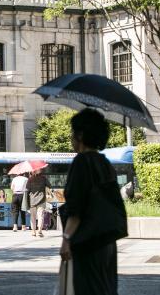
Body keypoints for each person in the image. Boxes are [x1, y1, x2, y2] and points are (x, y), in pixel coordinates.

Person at [60, 108, 119, 295]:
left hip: (86, 241)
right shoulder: (105, 163)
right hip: (107, 242)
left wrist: (66, 239)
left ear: (81, 135)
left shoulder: (81, 163)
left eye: (73, 133)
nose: (71, 138)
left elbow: (76, 208)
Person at [27, 168, 50, 237]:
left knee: (33, 217)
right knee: (40, 216)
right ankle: (39, 231)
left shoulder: (30, 179)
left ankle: (33, 232)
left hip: (32, 200)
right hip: (41, 200)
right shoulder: (43, 178)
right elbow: (49, 185)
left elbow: (27, 188)